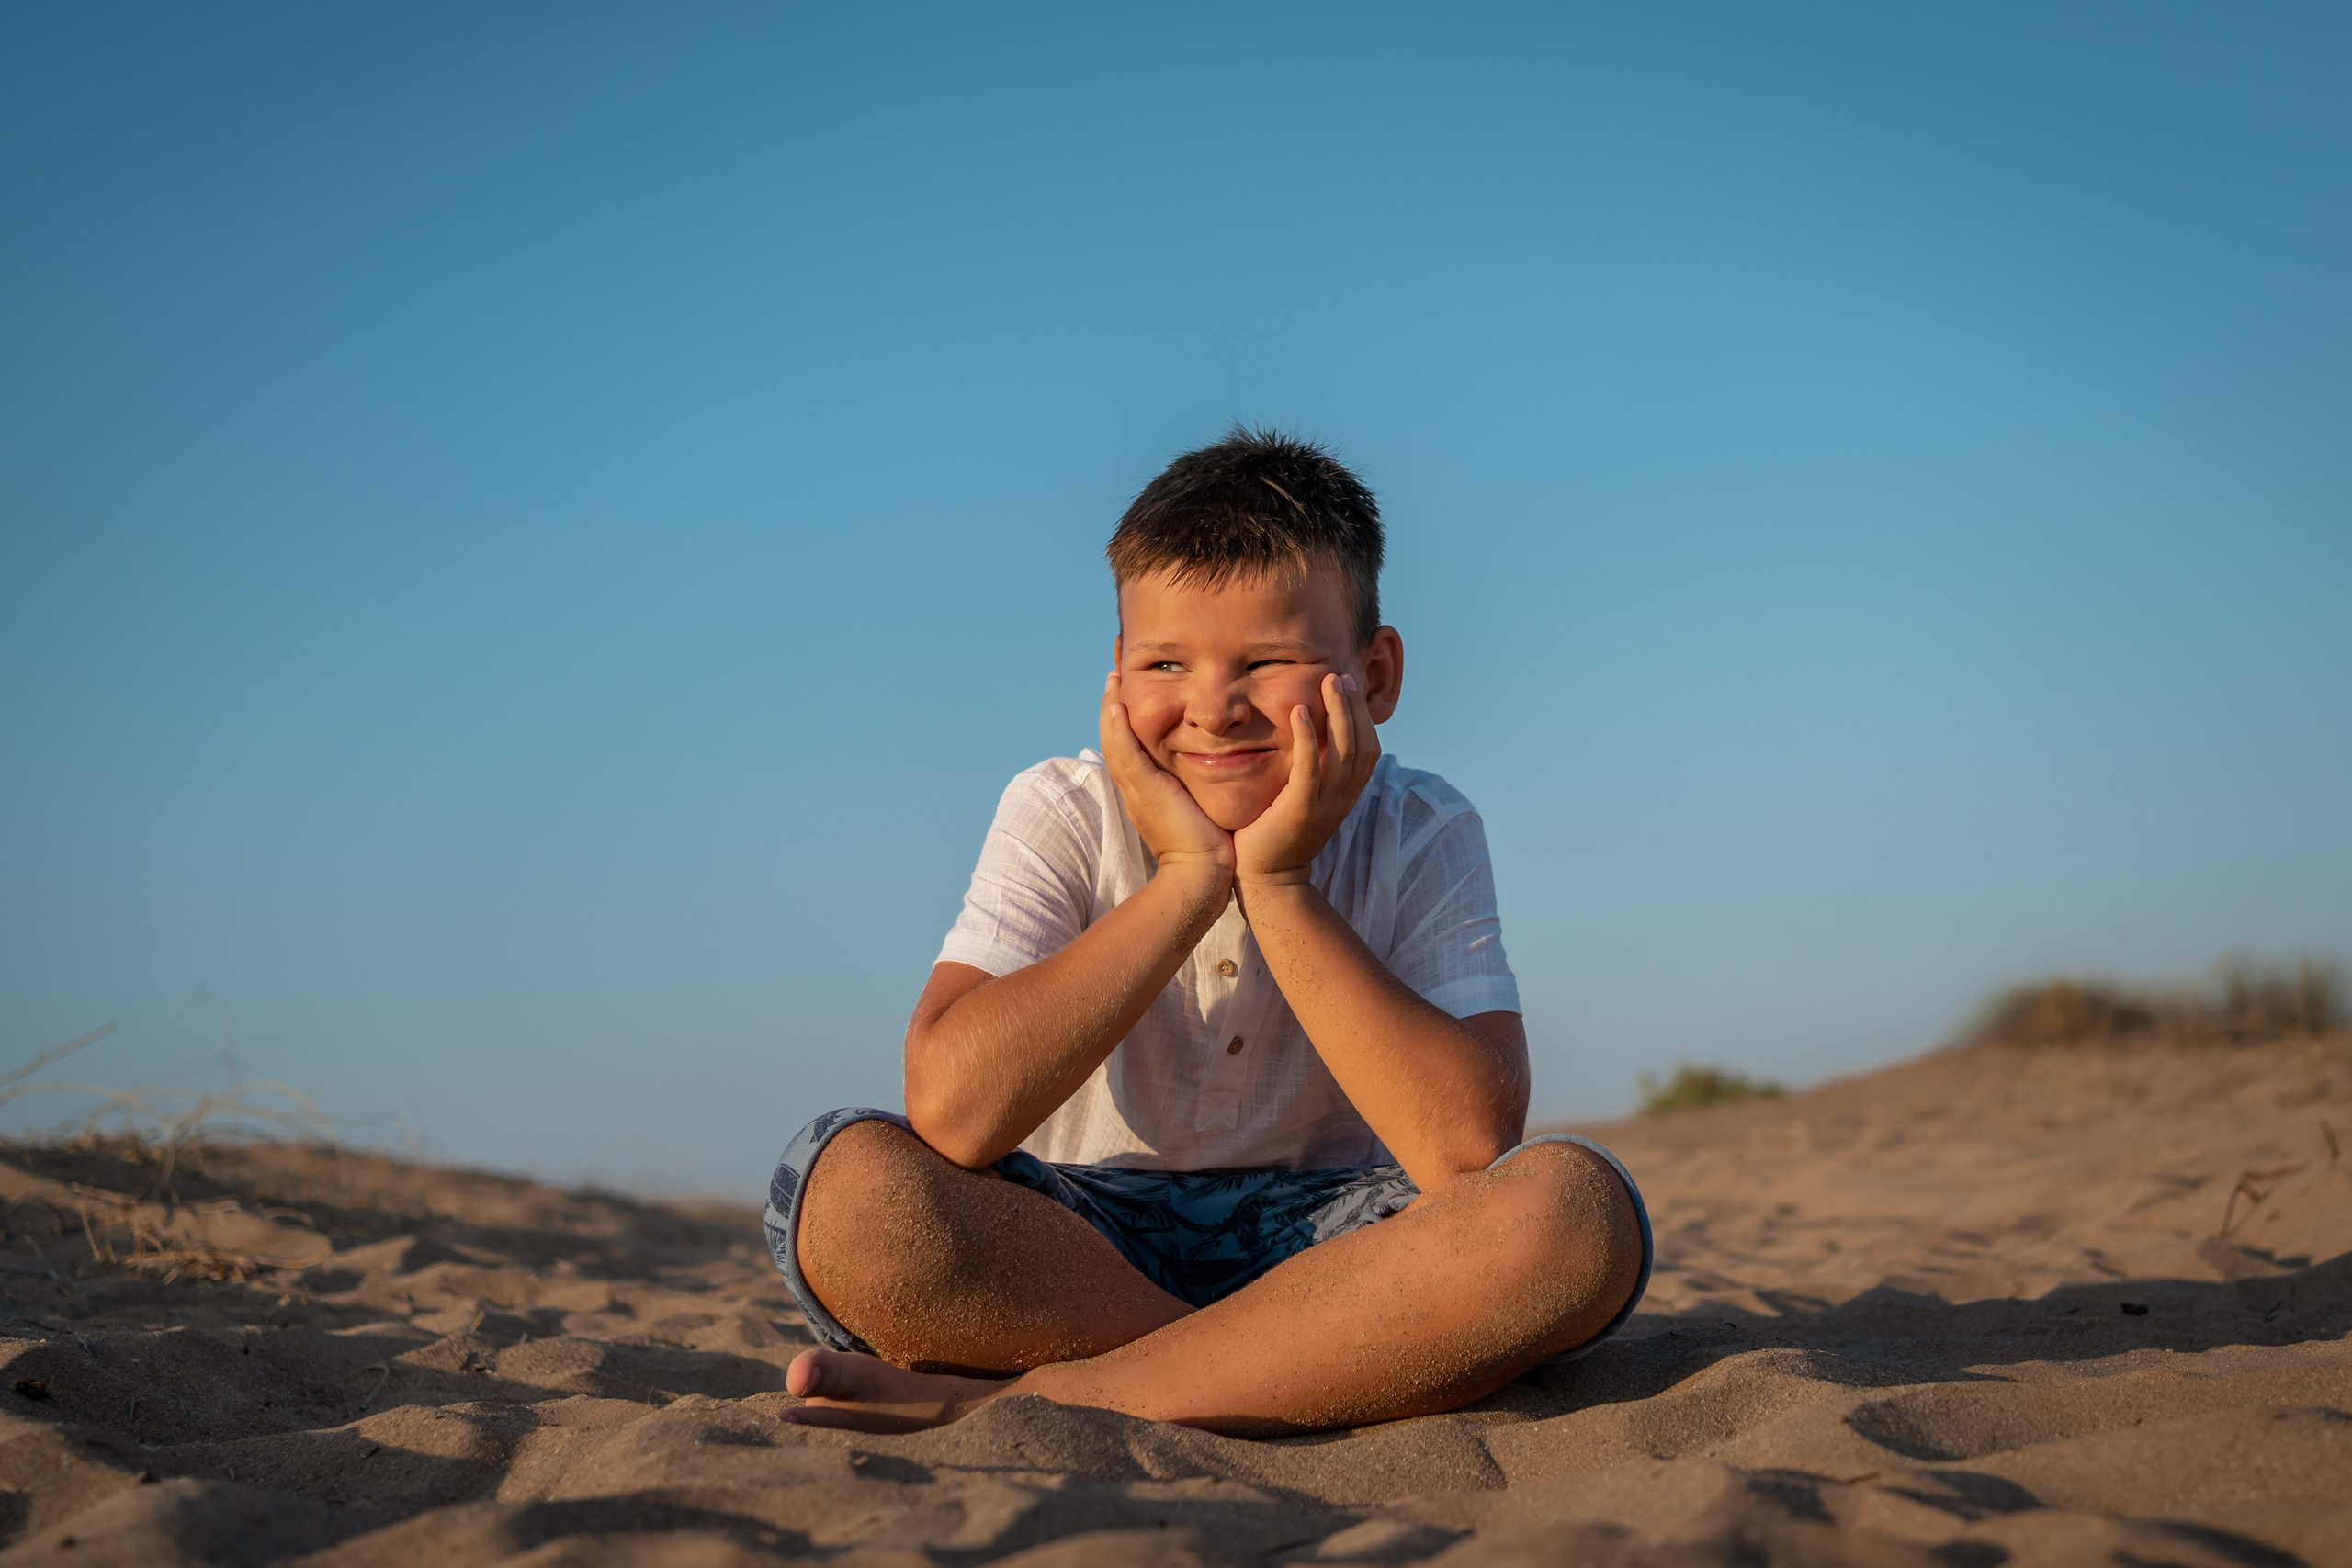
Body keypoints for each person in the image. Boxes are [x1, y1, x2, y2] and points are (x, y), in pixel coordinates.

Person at [763, 429, 1651, 1437]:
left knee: (1568, 1213)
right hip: (1076, 1240)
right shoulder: (1061, 809)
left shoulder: (1423, 826)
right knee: (852, 1188)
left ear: (1377, 673)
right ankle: (1265, 1368)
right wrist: (1187, 879)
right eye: (1166, 662)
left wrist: (1275, 881)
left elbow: (1464, 1146)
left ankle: (1053, 1396)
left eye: (1267, 660)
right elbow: (957, 1114)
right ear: (1116, 671)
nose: (1212, 710)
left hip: (1340, 1242)